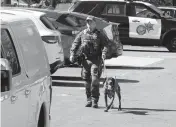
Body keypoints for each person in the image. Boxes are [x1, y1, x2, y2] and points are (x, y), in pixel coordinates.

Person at [70, 16, 109, 108]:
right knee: (87, 81)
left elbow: (105, 45)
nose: (89, 24)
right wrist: (72, 54)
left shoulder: (100, 34)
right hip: (85, 60)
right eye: (87, 22)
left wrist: (104, 53)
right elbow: (75, 44)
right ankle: (89, 99)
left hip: (96, 60)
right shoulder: (82, 33)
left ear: (95, 23)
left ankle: (95, 100)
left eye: (91, 22)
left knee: (95, 79)